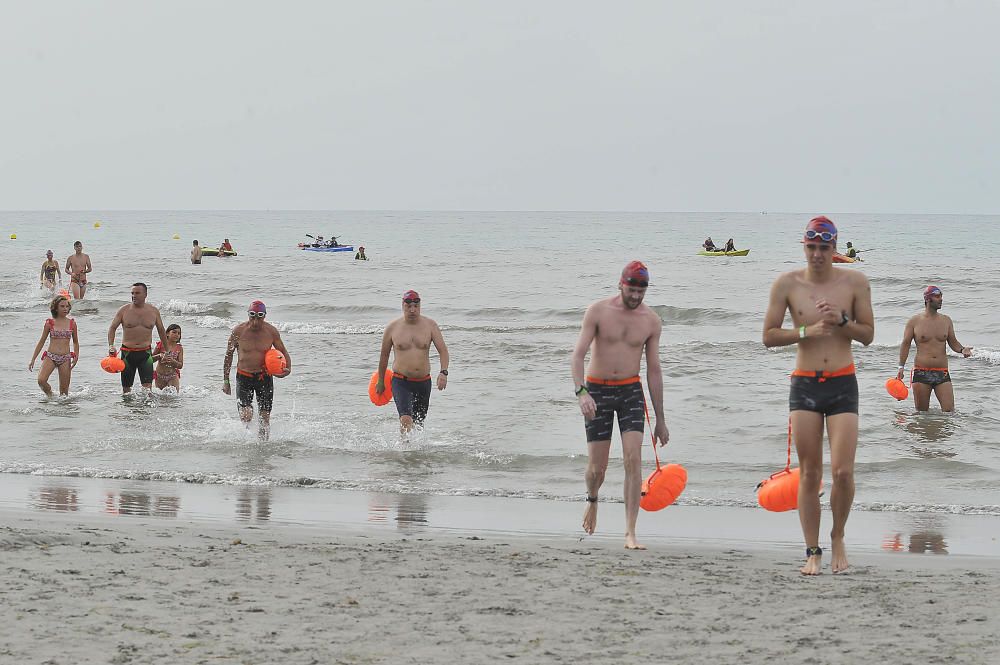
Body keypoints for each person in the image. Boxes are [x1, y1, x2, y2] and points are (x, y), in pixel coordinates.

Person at [763, 216, 874, 575]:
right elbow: (768, 335)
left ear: (834, 248)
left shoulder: (854, 282)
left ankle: (838, 535)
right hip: (805, 384)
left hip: (843, 382)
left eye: (824, 248)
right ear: (804, 247)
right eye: (811, 247)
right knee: (810, 473)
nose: (817, 254)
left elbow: (868, 335)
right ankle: (813, 551)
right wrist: (805, 330)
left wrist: (843, 322)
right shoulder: (787, 284)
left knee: (843, 472)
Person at [571, 261, 669, 551]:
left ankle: (630, 532)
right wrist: (582, 393)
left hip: (630, 392)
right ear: (620, 284)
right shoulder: (598, 311)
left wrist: (661, 419)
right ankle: (592, 499)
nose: (636, 295)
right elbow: (577, 356)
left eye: (642, 289)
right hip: (597, 391)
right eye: (632, 288)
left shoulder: (651, 321)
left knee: (633, 459)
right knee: (596, 469)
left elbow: (654, 370)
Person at [374, 290, 449, 435]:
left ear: (420, 305)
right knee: (406, 418)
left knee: (418, 424)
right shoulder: (392, 328)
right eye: (409, 306)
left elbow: (443, 351)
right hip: (401, 381)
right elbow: (384, 356)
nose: (413, 310)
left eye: (416, 305)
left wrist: (443, 372)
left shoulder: (430, 325)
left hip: (424, 382)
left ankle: (415, 455)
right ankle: (405, 451)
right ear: (403, 305)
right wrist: (381, 381)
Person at [222, 301, 292, 441]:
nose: (255, 321)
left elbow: (283, 351)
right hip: (244, 377)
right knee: (246, 415)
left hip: (264, 378)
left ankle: (262, 445)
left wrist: (288, 369)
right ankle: (247, 441)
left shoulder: (271, 332)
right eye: (252, 316)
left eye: (259, 317)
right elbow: (228, 355)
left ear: (264, 316)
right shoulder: (238, 331)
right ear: (248, 315)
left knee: (265, 418)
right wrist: (226, 381)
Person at [896, 285, 973, 412]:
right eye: (937, 296)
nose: (941, 299)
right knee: (922, 415)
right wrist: (901, 367)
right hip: (921, 372)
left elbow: (953, 342)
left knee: (949, 412)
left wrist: (962, 349)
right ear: (928, 299)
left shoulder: (946, 320)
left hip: (942, 372)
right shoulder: (914, 321)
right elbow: (905, 345)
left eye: (941, 296)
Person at [107, 283, 167, 394]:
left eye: (137, 293)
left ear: (145, 295)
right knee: (126, 390)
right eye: (132, 293)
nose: (134, 296)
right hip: (127, 354)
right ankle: (126, 411)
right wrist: (111, 346)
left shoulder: (153, 311)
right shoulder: (123, 310)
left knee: (148, 390)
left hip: (145, 354)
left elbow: (161, 331)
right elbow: (112, 328)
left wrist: (167, 350)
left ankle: (146, 411)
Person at [28, 294, 79, 396]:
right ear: (55, 308)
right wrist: (33, 359)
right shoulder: (49, 323)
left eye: (67, 306)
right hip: (51, 356)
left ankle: (61, 410)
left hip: (65, 358)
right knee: (41, 380)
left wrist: (76, 356)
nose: (65, 309)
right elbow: (42, 341)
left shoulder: (72, 323)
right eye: (62, 306)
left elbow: (75, 342)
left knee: (64, 394)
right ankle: (50, 395)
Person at [153, 324, 184, 391]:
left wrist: (173, 361)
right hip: (160, 376)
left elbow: (180, 365)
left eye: (179, 333)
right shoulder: (161, 345)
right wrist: (159, 356)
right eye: (174, 332)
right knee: (161, 398)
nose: (177, 335)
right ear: (167, 334)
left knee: (174, 397)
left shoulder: (179, 348)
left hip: (172, 376)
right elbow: (151, 359)